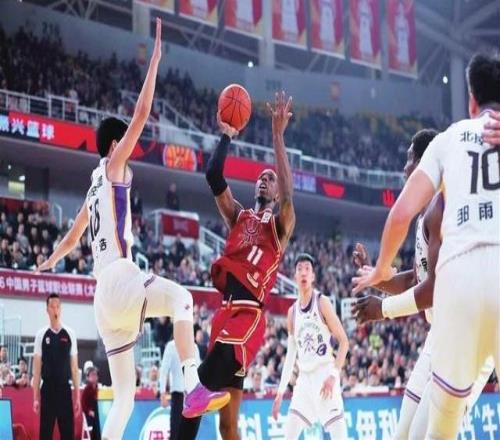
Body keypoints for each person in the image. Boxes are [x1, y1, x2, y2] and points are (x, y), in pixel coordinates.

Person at [37, 18, 229, 439]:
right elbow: (141, 114)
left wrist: (48, 262)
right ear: (114, 145)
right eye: (125, 143)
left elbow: (71, 238)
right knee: (182, 299)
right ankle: (193, 383)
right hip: (120, 278)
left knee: (124, 398)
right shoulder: (113, 166)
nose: (132, 149)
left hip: (102, 300)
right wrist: (155, 60)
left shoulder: (91, 189)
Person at [352, 53, 500, 439]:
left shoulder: (448, 142)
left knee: (436, 431)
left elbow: (399, 213)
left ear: (471, 101)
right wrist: (380, 278)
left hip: (458, 296)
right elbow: (417, 277)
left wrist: (381, 272)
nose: (405, 168)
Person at [179, 91, 296, 440]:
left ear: (276, 193)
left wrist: (277, 136)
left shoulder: (280, 227)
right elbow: (214, 175)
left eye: (270, 178)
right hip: (224, 315)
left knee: (198, 390)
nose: (264, 179)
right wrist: (227, 135)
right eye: (261, 177)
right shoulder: (239, 217)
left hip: (248, 317)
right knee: (227, 425)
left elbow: (289, 196)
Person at [272, 254, 349, 439]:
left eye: (307, 269)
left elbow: (344, 341)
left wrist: (333, 375)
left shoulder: (322, 302)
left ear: (313, 276)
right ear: (295, 276)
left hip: (325, 375)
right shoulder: (292, 312)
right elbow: (291, 355)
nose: (303, 273)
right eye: (300, 269)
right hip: (304, 381)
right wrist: (280, 392)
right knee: (289, 435)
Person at [32, 293, 80, 440]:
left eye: (58, 306)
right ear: (47, 310)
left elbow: (74, 369)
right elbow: (36, 371)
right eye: (52, 307)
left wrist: (77, 397)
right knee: (45, 434)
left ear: (61, 309)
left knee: (67, 434)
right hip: (47, 391)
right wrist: (35, 398)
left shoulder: (70, 333)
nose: (55, 309)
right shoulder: (41, 335)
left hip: (64, 390)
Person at [160, 337, 201, 440]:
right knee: (176, 431)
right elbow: (164, 370)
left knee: (190, 432)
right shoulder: (171, 346)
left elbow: (198, 372)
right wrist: (162, 393)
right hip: (178, 393)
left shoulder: (194, 347)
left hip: (192, 395)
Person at [81, 366, 100, 440]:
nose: (94, 376)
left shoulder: (98, 387)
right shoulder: (87, 389)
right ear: (88, 377)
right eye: (92, 375)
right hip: (89, 415)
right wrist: (89, 411)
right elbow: (83, 404)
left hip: (97, 413)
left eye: (95, 374)